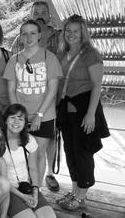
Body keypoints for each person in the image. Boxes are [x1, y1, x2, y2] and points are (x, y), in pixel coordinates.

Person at [56, 15, 109, 211]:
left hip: (85, 108)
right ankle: (74, 189)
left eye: (75, 31)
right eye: (68, 30)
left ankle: (82, 195)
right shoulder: (63, 53)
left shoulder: (90, 54)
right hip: (67, 110)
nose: (71, 34)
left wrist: (91, 114)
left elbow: (97, 86)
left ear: (82, 33)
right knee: (70, 151)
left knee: (83, 152)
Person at [3, 20, 62, 187]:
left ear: (39, 35)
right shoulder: (14, 60)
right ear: (20, 37)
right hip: (21, 116)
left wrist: (39, 116)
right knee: (21, 151)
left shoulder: (49, 58)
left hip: (44, 115)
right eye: (24, 33)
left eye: (32, 33)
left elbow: (52, 90)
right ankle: (22, 187)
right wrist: (18, 117)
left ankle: (37, 189)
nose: (28, 37)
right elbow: (11, 90)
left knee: (39, 153)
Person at [2, 104, 56, 218]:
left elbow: (33, 169)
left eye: (20, 119)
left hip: (27, 187)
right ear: (6, 120)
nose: (16, 122)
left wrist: (36, 190)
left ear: (25, 123)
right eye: (12, 117)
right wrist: (22, 197)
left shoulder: (29, 140)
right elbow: (0, 178)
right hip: (9, 190)